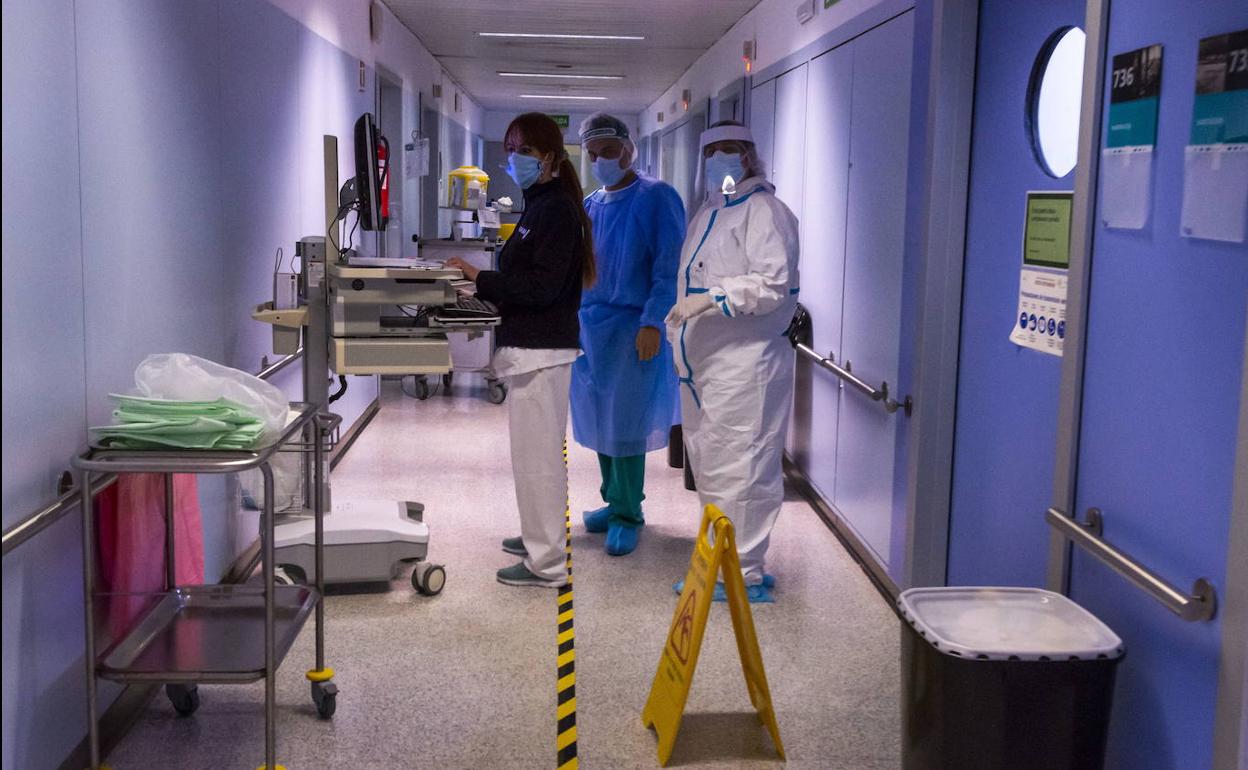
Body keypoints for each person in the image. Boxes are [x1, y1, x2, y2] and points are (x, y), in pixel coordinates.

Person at [445, 113, 596, 588]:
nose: (515, 158)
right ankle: (539, 538)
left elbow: (543, 287)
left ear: (549, 157)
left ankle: (547, 563)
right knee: (535, 459)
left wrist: (479, 278)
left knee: (539, 463)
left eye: (525, 150)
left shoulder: (557, 211)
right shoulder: (540, 203)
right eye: (511, 147)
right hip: (533, 348)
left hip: (542, 350)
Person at [665, 120, 800, 603]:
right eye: (713, 151)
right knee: (715, 466)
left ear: (749, 156)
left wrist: (712, 299)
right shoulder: (710, 212)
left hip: (746, 364)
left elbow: (771, 285)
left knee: (744, 468)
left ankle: (740, 574)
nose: (721, 159)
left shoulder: (765, 211)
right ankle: (723, 560)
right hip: (705, 365)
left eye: (731, 150)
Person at [571, 113, 686, 556]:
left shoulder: (657, 197)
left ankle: (627, 512)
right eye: (593, 153)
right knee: (600, 418)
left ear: (628, 149)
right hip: (591, 327)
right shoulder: (591, 203)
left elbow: (667, 266)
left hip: (634, 325)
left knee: (627, 421)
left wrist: (652, 322)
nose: (601, 160)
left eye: (609, 151)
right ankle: (610, 499)